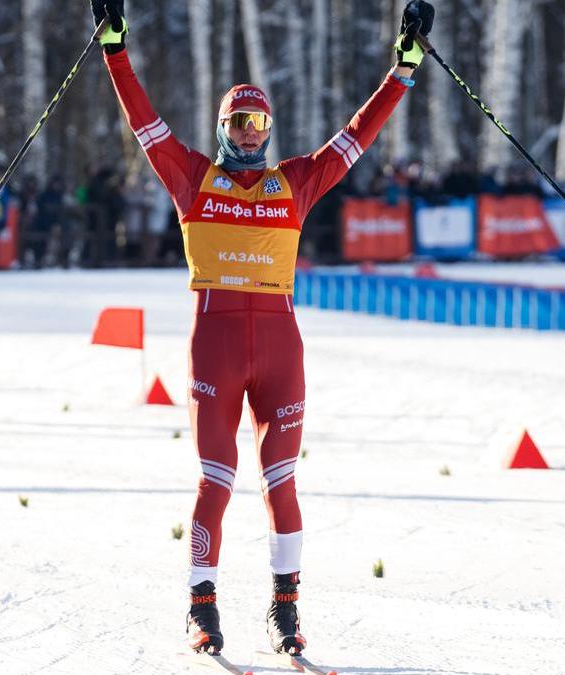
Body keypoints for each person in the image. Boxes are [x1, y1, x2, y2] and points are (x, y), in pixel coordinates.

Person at [92, 0, 433, 656]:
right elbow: (143, 121)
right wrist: (115, 51)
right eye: (239, 123)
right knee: (215, 480)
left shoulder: (294, 183)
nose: (251, 134)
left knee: (281, 479)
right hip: (215, 348)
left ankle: (285, 609)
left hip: (281, 351)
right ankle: (202, 606)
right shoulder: (193, 178)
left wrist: (404, 69)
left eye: (259, 123)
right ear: (223, 127)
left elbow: (356, 136)